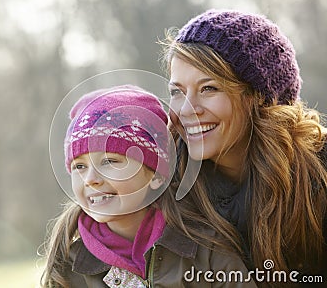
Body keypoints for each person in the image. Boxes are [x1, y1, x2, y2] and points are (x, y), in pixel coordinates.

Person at [160, 8, 327, 286]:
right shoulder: (168, 184)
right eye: (177, 92)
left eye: (208, 89)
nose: (186, 110)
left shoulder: (318, 173)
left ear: (258, 98)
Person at [40, 84, 257, 287]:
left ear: (156, 176)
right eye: (79, 166)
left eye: (110, 161)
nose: (90, 179)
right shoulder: (68, 267)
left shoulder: (205, 249)